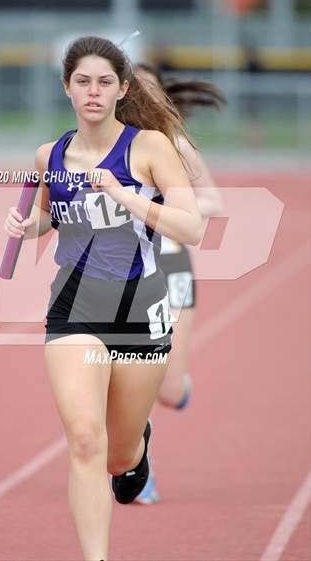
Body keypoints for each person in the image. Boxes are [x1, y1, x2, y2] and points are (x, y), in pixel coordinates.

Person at [4, 36, 202, 561]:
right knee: (85, 441)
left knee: (117, 459)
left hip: (140, 309)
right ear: (66, 88)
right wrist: (31, 227)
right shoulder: (51, 155)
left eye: (104, 81)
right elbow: (54, 217)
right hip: (74, 307)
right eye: (83, 81)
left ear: (122, 89)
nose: (93, 91)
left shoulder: (149, 148)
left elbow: (192, 227)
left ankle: (138, 444)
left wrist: (128, 196)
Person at [133, 64, 225, 504]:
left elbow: (214, 199)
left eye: (151, 92)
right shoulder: (109, 150)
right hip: (126, 271)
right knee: (132, 376)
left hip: (173, 271)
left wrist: (167, 204)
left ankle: (180, 388)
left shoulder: (177, 145)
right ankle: (136, 468)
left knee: (166, 388)